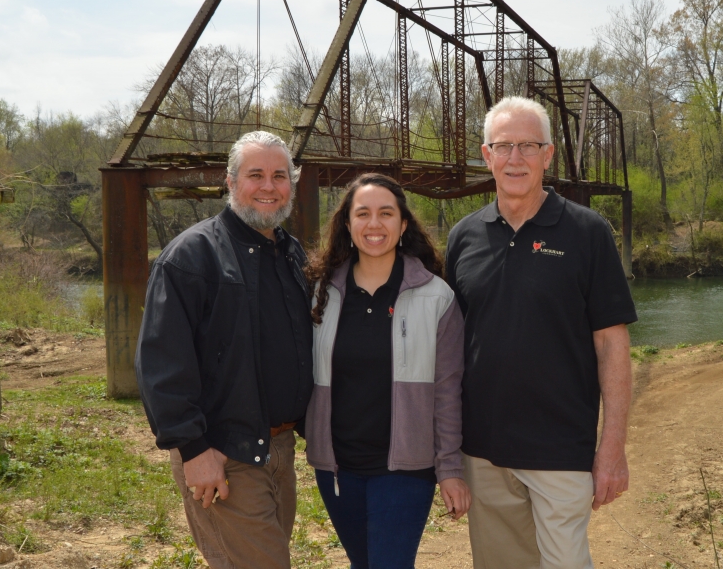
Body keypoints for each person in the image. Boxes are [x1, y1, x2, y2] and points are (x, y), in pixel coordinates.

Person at [445, 96, 637, 569]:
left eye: (528, 146)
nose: (515, 159)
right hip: (484, 451)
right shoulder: (463, 237)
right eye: (503, 146)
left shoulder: (588, 232)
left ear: (548, 156)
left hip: (560, 447)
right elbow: (449, 350)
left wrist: (612, 447)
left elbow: (612, 344)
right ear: (486, 155)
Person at [135, 131, 313, 569]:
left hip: (279, 448)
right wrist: (192, 449)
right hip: (223, 453)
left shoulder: (292, 255)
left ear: (293, 182)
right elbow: (161, 362)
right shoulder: (192, 256)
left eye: (279, 175)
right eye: (256, 175)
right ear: (230, 182)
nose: (269, 186)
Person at [304, 173, 471, 569]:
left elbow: (448, 391)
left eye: (385, 213)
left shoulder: (436, 297)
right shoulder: (320, 293)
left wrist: (449, 467)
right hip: (337, 469)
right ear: (347, 225)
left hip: (405, 470)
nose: (374, 224)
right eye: (362, 214)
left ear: (403, 224)